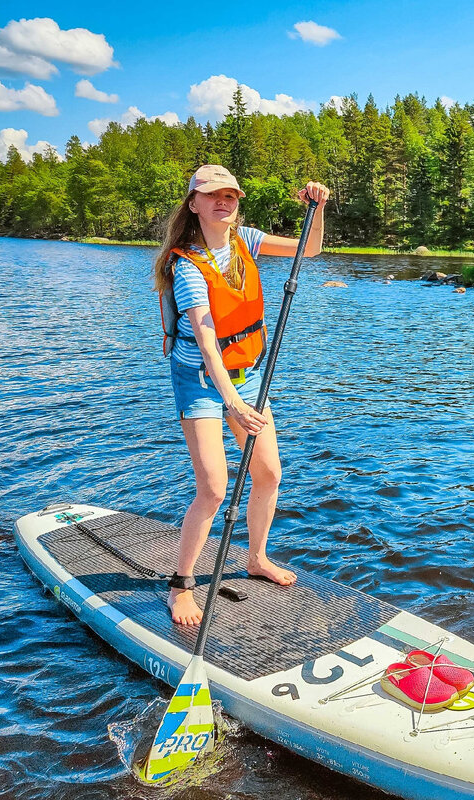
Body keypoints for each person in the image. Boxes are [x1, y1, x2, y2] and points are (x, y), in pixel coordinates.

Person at [152, 164, 330, 626]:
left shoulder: (246, 240)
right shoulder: (186, 264)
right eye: (212, 196)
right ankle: (181, 585)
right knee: (213, 488)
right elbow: (207, 340)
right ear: (194, 204)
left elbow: (309, 250)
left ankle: (256, 557)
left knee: (269, 472)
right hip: (202, 381)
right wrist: (231, 401)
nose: (223, 202)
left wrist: (319, 208)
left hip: (248, 376)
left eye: (230, 195)